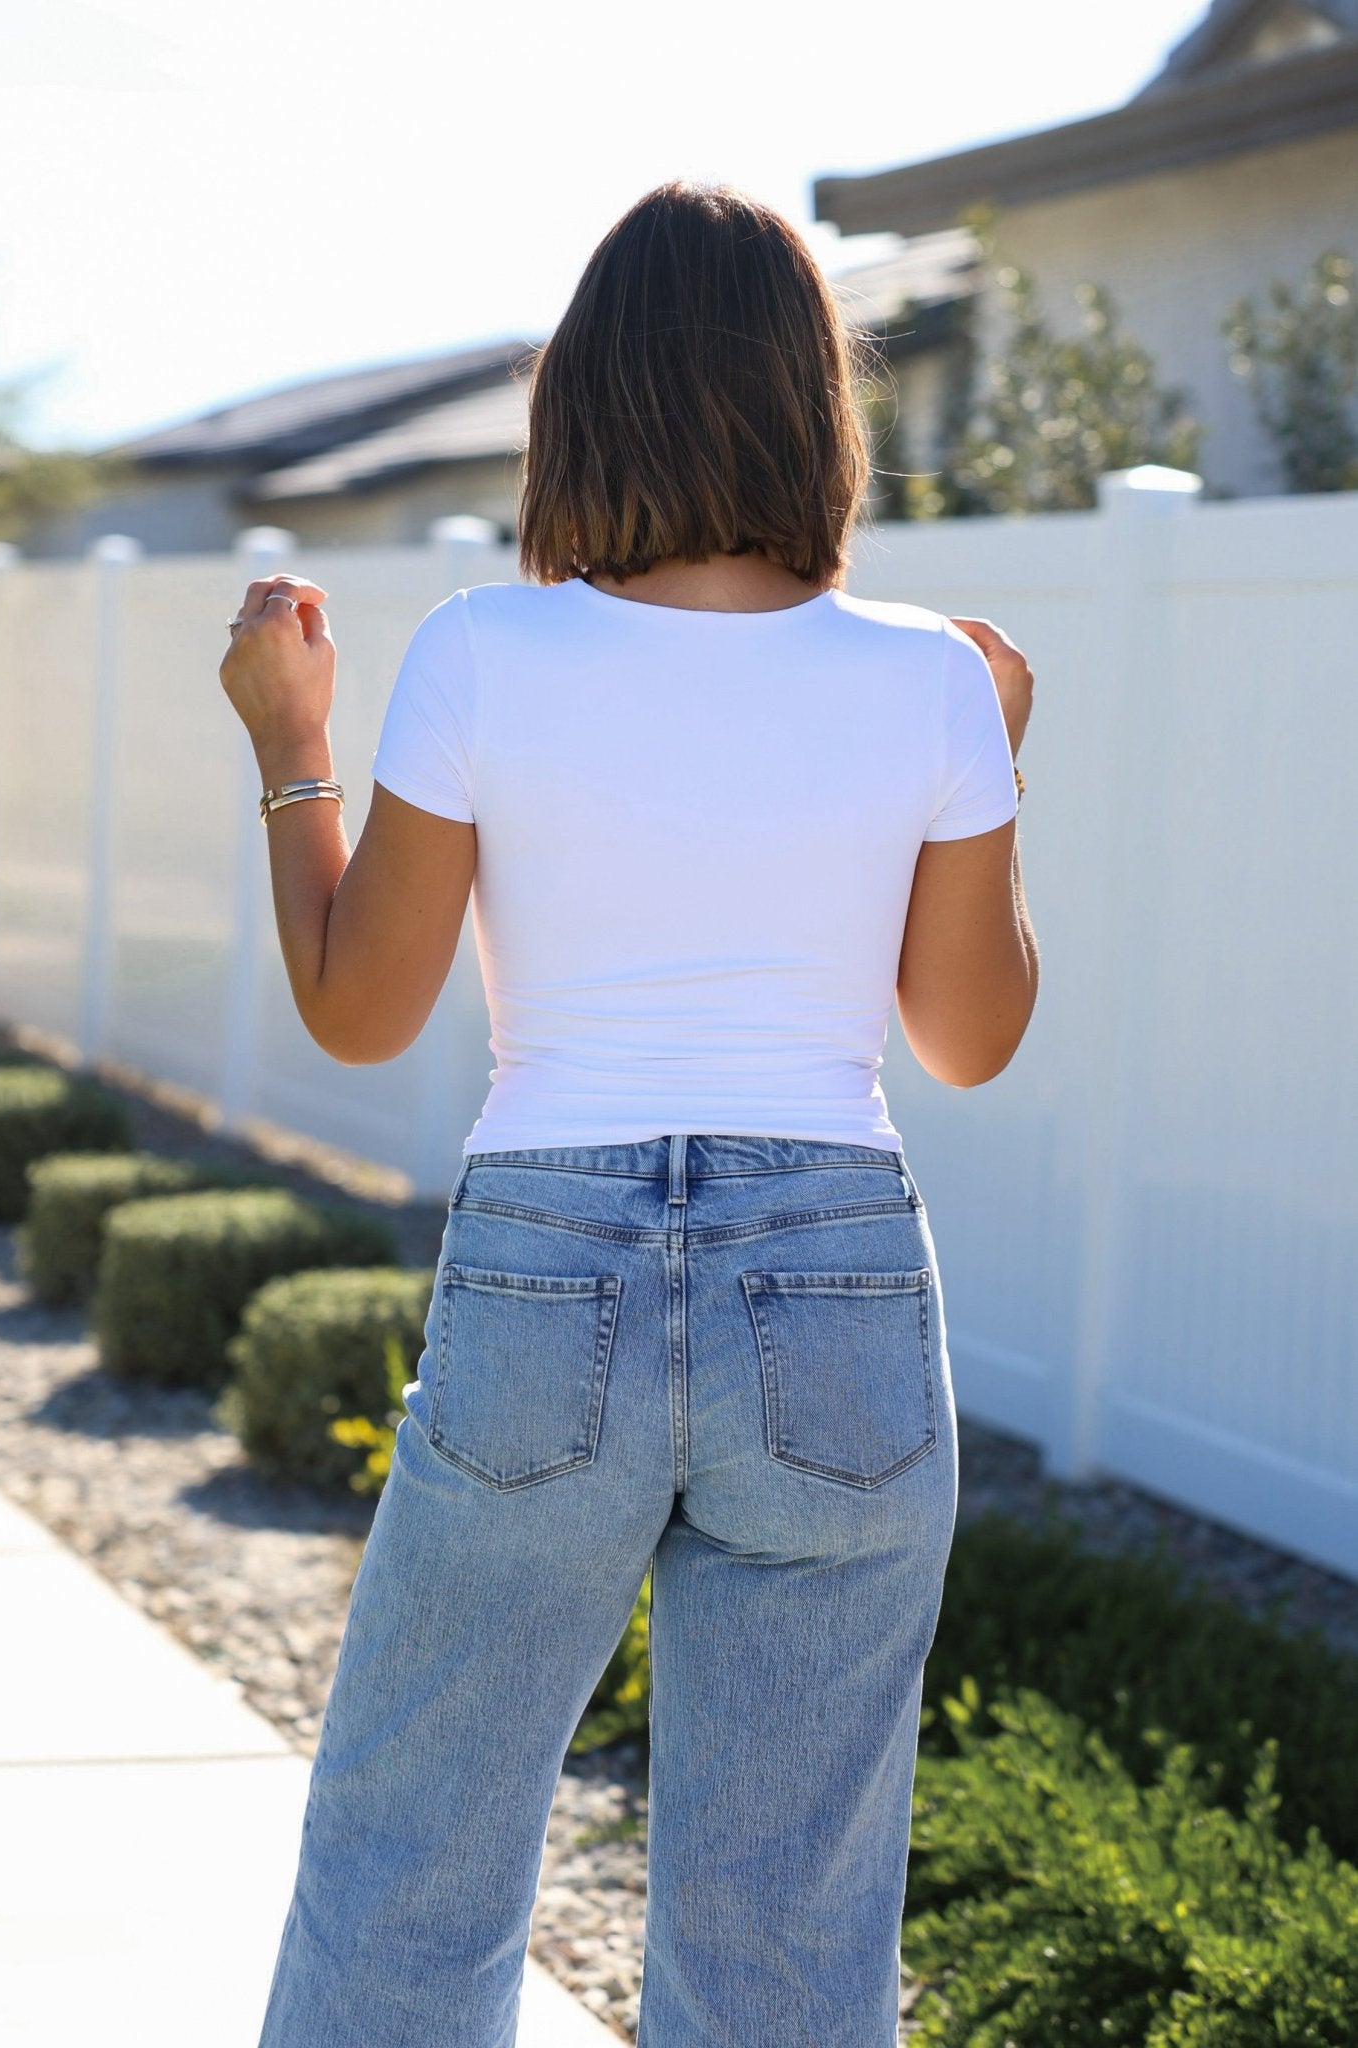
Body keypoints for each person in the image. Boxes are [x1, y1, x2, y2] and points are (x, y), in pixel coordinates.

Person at [220, 176, 1038, 2048]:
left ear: (581, 400)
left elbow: (362, 1012)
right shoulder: (929, 678)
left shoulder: (486, 653)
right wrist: (999, 763)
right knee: (785, 1924)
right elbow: (968, 1036)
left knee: (409, 1852)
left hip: (548, 1270)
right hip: (834, 1271)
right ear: (812, 409)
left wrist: (289, 745)